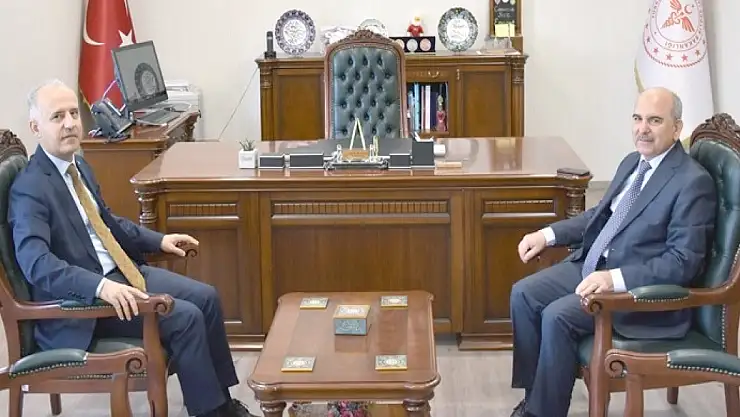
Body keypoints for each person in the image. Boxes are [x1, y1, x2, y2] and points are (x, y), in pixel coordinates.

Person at [8, 79, 257, 417]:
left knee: (207, 297)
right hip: (84, 306)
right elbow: (36, 264)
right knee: (185, 317)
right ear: (36, 127)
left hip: (121, 273)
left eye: (73, 114)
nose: (70, 123)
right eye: (57, 116)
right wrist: (100, 286)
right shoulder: (30, 188)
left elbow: (107, 222)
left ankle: (223, 404)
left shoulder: (78, 167)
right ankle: (211, 413)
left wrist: (159, 240)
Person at [508, 87, 718, 417]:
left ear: (677, 128)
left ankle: (542, 413)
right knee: (523, 294)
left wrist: (613, 279)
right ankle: (535, 398)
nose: (642, 129)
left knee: (557, 316)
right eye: (637, 119)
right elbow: (600, 215)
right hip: (593, 265)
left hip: (637, 293)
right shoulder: (633, 162)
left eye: (654, 120)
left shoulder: (692, 182)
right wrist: (547, 234)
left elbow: (682, 263)